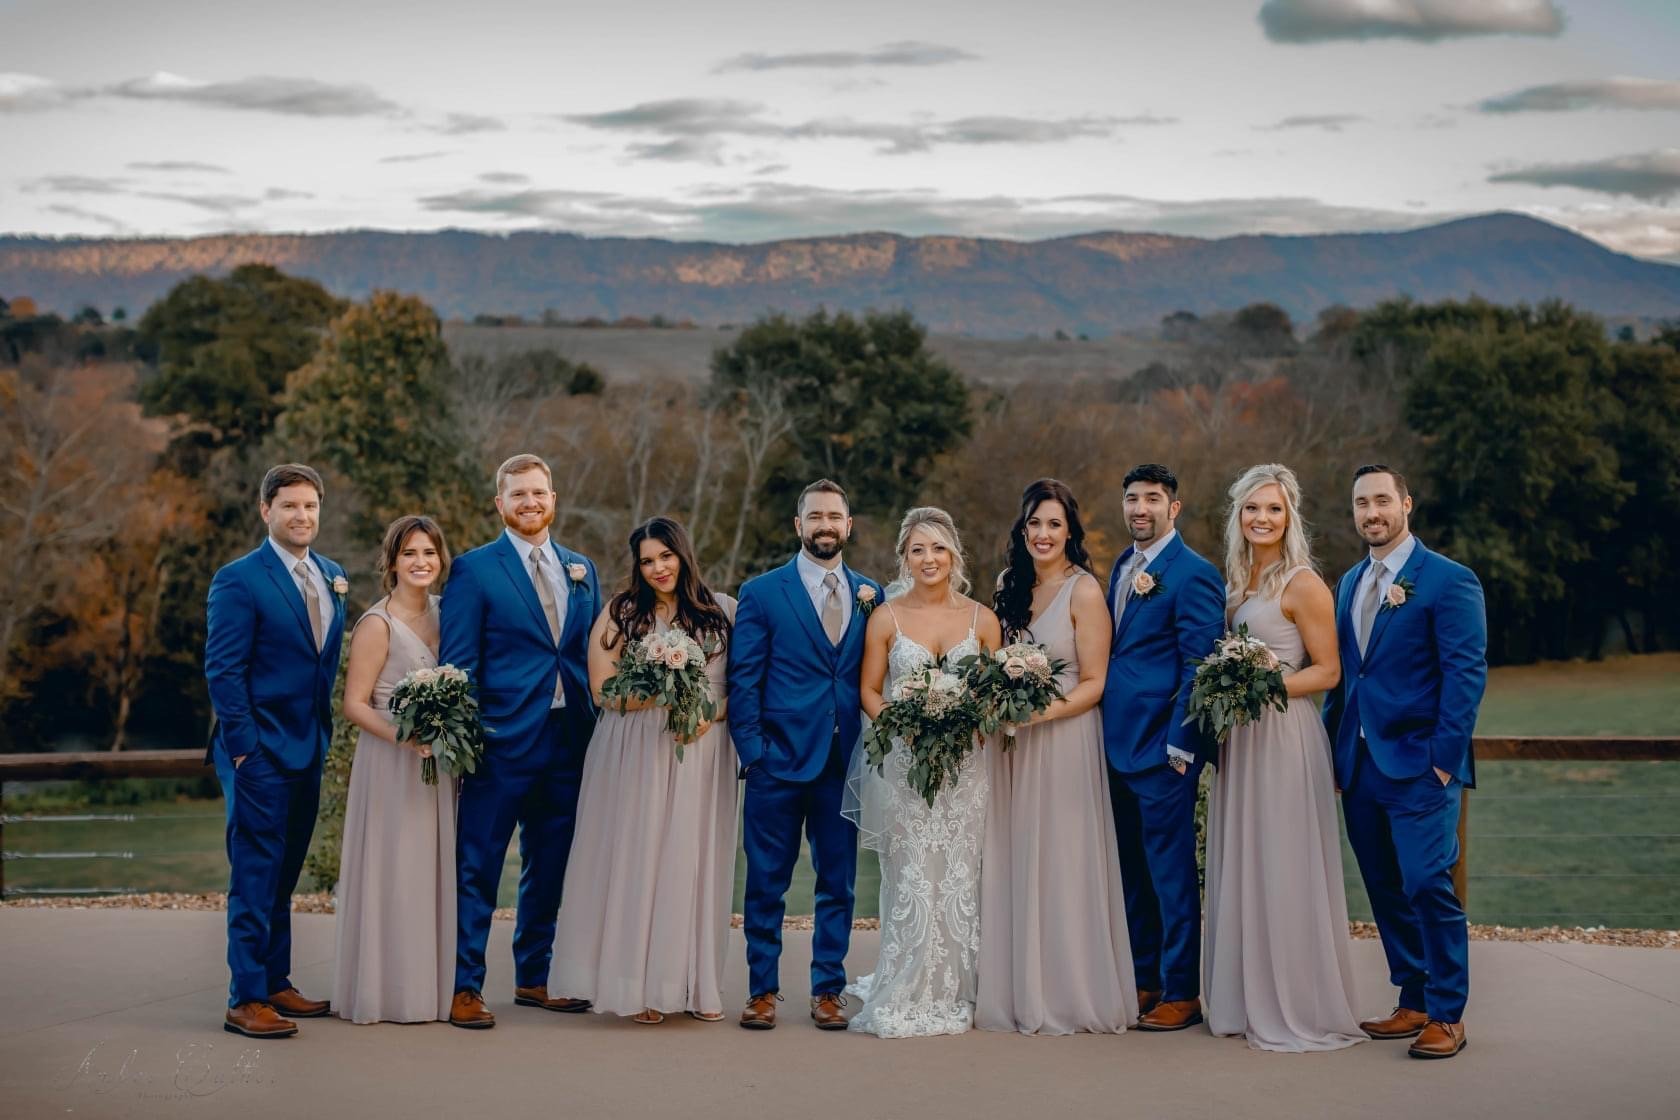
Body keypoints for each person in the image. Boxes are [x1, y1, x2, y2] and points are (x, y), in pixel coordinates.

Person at [1324, 464, 1487, 1060]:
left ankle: (1448, 1012)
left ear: (1406, 504)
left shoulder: (1448, 580)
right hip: (1361, 766)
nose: (1372, 512)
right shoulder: (1348, 584)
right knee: (1385, 886)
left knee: (1426, 883)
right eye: (1361, 502)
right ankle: (1413, 999)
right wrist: (1332, 754)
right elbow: (1347, 682)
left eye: (1382, 501)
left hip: (1421, 766)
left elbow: (1465, 676)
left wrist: (1443, 763)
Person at [1201, 465, 1365, 1052]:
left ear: (1289, 516)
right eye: (1251, 509)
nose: (1261, 519)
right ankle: (1246, 996)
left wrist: (1261, 686)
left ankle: (1294, 1001)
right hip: (1240, 739)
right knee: (1246, 858)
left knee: (1283, 860)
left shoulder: (1303, 583)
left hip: (1283, 735)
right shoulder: (1237, 582)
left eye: (1272, 509)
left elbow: (1328, 671)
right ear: (1237, 516)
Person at [551, 517, 738, 1025]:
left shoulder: (724, 612)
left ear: (684, 554)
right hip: (633, 750)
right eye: (647, 560)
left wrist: (703, 713)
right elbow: (602, 691)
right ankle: (636, 986)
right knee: (637, 860)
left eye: (666, 556)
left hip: (700, 751)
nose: (657, 568)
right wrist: (662, 689)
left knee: (688, 862)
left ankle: (691, 984)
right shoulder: (621, 613)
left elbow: (734, 692)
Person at [440, 454, 602, 1029]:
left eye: (539, 492)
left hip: (570, 740)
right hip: (500, 741)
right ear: (500, 504)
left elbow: (590, 653)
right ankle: (464, 986)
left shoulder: (582, 568)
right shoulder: (474, 570)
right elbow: (457, 664)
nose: (530, 503)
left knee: (551, 864)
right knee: (477, 864)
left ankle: (536, 976)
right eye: (518, 495)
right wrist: (467, 741)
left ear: (553, 498)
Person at [977, 479, 1135, 1036]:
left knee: (1063, 859)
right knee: (1016, 855)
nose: (1042, 534)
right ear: (1022, 531)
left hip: (1064, 739)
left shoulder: (1084, 591)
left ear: (1070, 531)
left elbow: (1095, 683)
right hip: (1012, 746)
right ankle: (1019, 985)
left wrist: (1037, 716)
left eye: (1053, 524)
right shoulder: (1007, 586)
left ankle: (1068, 991)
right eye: (1034, 524)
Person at [730, 479, 884, 1031]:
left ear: (849, 525)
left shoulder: (873, 594)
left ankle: (827, 990)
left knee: (837, 882)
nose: (825, 525)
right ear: (799, 526)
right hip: (776, 762)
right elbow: (743, 680)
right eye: (814, 516)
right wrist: (753, 753)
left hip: (843, 765)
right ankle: (762, 991)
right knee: (765, 881)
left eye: (834, 516)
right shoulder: (763, 592)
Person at [846, 506, 1004, 1038]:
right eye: (918, 549)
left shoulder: (983, 619)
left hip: (967, 770)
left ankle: (961, 985)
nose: (929, 558)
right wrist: (903, 725)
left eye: (938, 548)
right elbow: (869, 689)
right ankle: (906, 980)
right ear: (905, 558)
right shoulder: (885, 618)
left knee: (961, 875)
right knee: (913, 873)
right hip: (907, 769)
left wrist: (973, 721)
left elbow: (994, 696)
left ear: (954, 554)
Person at [204, 463, 348, 1039]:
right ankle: (245, 998)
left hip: (307, 746)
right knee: (256, 872)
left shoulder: (333, 574)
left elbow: (321, 666)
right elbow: (223, 669)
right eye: (290, 506)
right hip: (258, 750)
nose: (302, 516)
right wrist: (244, 751)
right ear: (266, 511)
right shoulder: (238, 579)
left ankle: (276, 981)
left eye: (310, 506)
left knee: (284, 873)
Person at [1101, 463, 1225, 1032]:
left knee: (1171, 873)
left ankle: (1182, 990)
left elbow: (1199, 666)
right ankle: (1145, 977)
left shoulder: (1193, 573)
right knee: (1131, 872)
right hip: (1115, 746)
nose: (1140, 509)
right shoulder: (1122, 566)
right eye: (1132, 499)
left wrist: (1181, 746)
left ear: (1173, 508)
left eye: (1152, 499)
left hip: (1162, 751)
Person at [333, 515, 457, 1024]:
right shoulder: (376, 624)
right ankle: (387, 991)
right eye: (409, 553)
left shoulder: (451, 614)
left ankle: (432, 989)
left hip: (442, 764)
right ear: (391, 562)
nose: (421, 562)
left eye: (429, 552)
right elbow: (355, 705)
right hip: (391, 761)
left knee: (433, 870)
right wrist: (408, 738)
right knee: (396, 869)